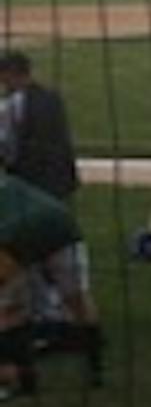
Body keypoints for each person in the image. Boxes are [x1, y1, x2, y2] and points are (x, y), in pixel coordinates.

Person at [0, 174, 102, 399]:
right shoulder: (10, 182)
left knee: (9, 309)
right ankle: (95, 368)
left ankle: (20, 378)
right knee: (77, 300)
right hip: (61, 225)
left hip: (17, 235)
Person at [0, 50, 81, 328]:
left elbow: (7, 151)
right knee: (64, 245)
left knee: (30, 251)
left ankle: (42, 309)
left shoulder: (10, 106)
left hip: (31, 187)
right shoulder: (52, 97)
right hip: (61, 180)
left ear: (11, 74)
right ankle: (72, 307)